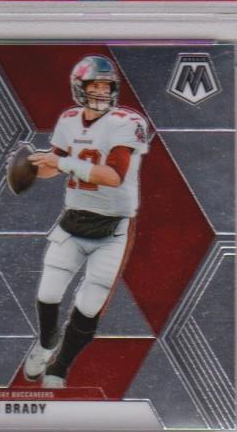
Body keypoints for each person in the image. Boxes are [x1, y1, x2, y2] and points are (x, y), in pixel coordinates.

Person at [25, 55, 150, 388]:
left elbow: (113, 177)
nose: (101, 92)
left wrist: (63, 164)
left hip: (112, 229)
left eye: (106, 86)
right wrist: (33, 166)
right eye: (94, 85)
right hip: (73, 223)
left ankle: (60, 366)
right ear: (79, 87)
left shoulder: (126, 122)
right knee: (48, 293)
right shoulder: (68, 120)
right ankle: (46, 344)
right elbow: (53, 167)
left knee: (90, 305)